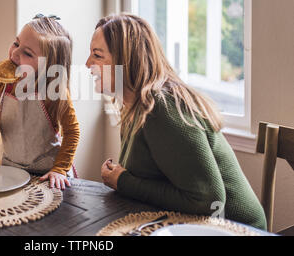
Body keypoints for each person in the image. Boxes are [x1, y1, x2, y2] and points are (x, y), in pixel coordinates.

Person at [86, 13, 267, 230]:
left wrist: (124, 182)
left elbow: (207, 201)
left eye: (97, 55)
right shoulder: (133, 107)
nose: (88, 64)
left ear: (127, 60)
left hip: (235, 229)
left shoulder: (163, 107)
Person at [0, 15, 80, 190]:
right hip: (11, 173)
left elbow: (73, 132)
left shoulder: (54, 91)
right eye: (16, 43)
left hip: (48, 176)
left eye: (27, 53)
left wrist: (59, 169)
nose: (15, 53)